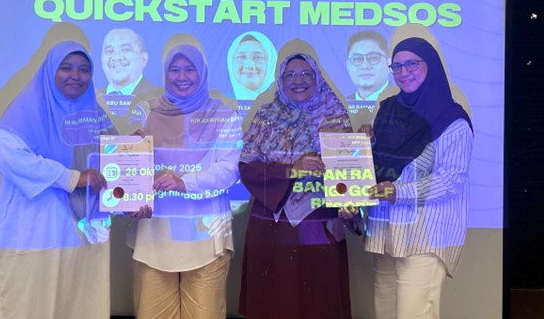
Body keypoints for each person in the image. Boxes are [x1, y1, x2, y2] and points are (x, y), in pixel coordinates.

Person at [0, 41, 114, 319]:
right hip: (32, 233)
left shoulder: (94, 113)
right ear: (50, 71)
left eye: (84, 70)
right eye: (66, 68)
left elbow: (113, 156)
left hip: (81, 236)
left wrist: (134, 150)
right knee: (31, 308)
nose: (76, 76)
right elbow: (8, 156)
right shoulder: (27, 110)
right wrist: (73, 178)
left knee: (80, 307)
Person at [238, 52, 359, 319]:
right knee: (276, 300)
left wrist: (352, 204)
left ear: (318, 78)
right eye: (290, 75)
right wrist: (291, 170)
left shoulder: (336, 117)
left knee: (319, 301)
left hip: (321, 223)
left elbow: (349, 175)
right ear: (280, 81)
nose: (298, 80)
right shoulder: (266, 116)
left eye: (306, 74)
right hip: (273, 225)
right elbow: (247, 167)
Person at [128, 43, 242, 319]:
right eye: (174, 70)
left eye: (190, 69)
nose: (182, 77)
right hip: (154, 235)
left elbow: (228, 170)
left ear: (202, 72)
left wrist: (184, 183)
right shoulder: (145, 111)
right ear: (165, 74)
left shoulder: (224, 115)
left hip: (205, 237)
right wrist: (130, 156)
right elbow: (131, 168)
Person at [364, 37, 473, 319]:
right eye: (397, 66)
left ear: (431, 65)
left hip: (426, 236)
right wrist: (362, 146)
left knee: (414, 313)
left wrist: (399, 192)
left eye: (412, 63)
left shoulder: (452, 119)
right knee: (385, 312)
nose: (404, 72)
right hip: (386, 231)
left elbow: (451, 179)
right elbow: (380, 165)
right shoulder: (387, 109)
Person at [100, 28, 160, 130]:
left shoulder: (160, 99)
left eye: (125, 49)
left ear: (144, 59)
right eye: (109, 51)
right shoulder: (93, 100)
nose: (116, 57)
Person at [227, 31, 277, 101]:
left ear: (271, 63)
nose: (249, 66)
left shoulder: (283, 103)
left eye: (258, 57)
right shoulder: (222, 102)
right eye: (241, 57)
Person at [345, 30, 390, 101]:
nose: (365, 66)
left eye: (373, 58)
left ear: (388, 63)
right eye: (357, 59)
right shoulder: (340, 105)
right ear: (348, 65)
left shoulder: (404, 102)